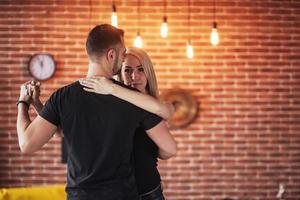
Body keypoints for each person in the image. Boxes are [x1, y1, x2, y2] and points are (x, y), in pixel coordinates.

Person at [17, 24, 177, 200]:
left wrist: (24, 102)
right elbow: (169, 147)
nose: (123, 58)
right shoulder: (132, 98)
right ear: (111, 55)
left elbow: (27, 144)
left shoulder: (62, 97)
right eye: (122, 53)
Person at [79, 47, 174, 200]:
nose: (134, 76)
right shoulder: (112, 108)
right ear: (120, 75)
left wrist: (149, 152)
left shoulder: (160, 106)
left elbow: (169, 148)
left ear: (149, 73)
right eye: (128, 70)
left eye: (141, 69)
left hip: (149, 192)